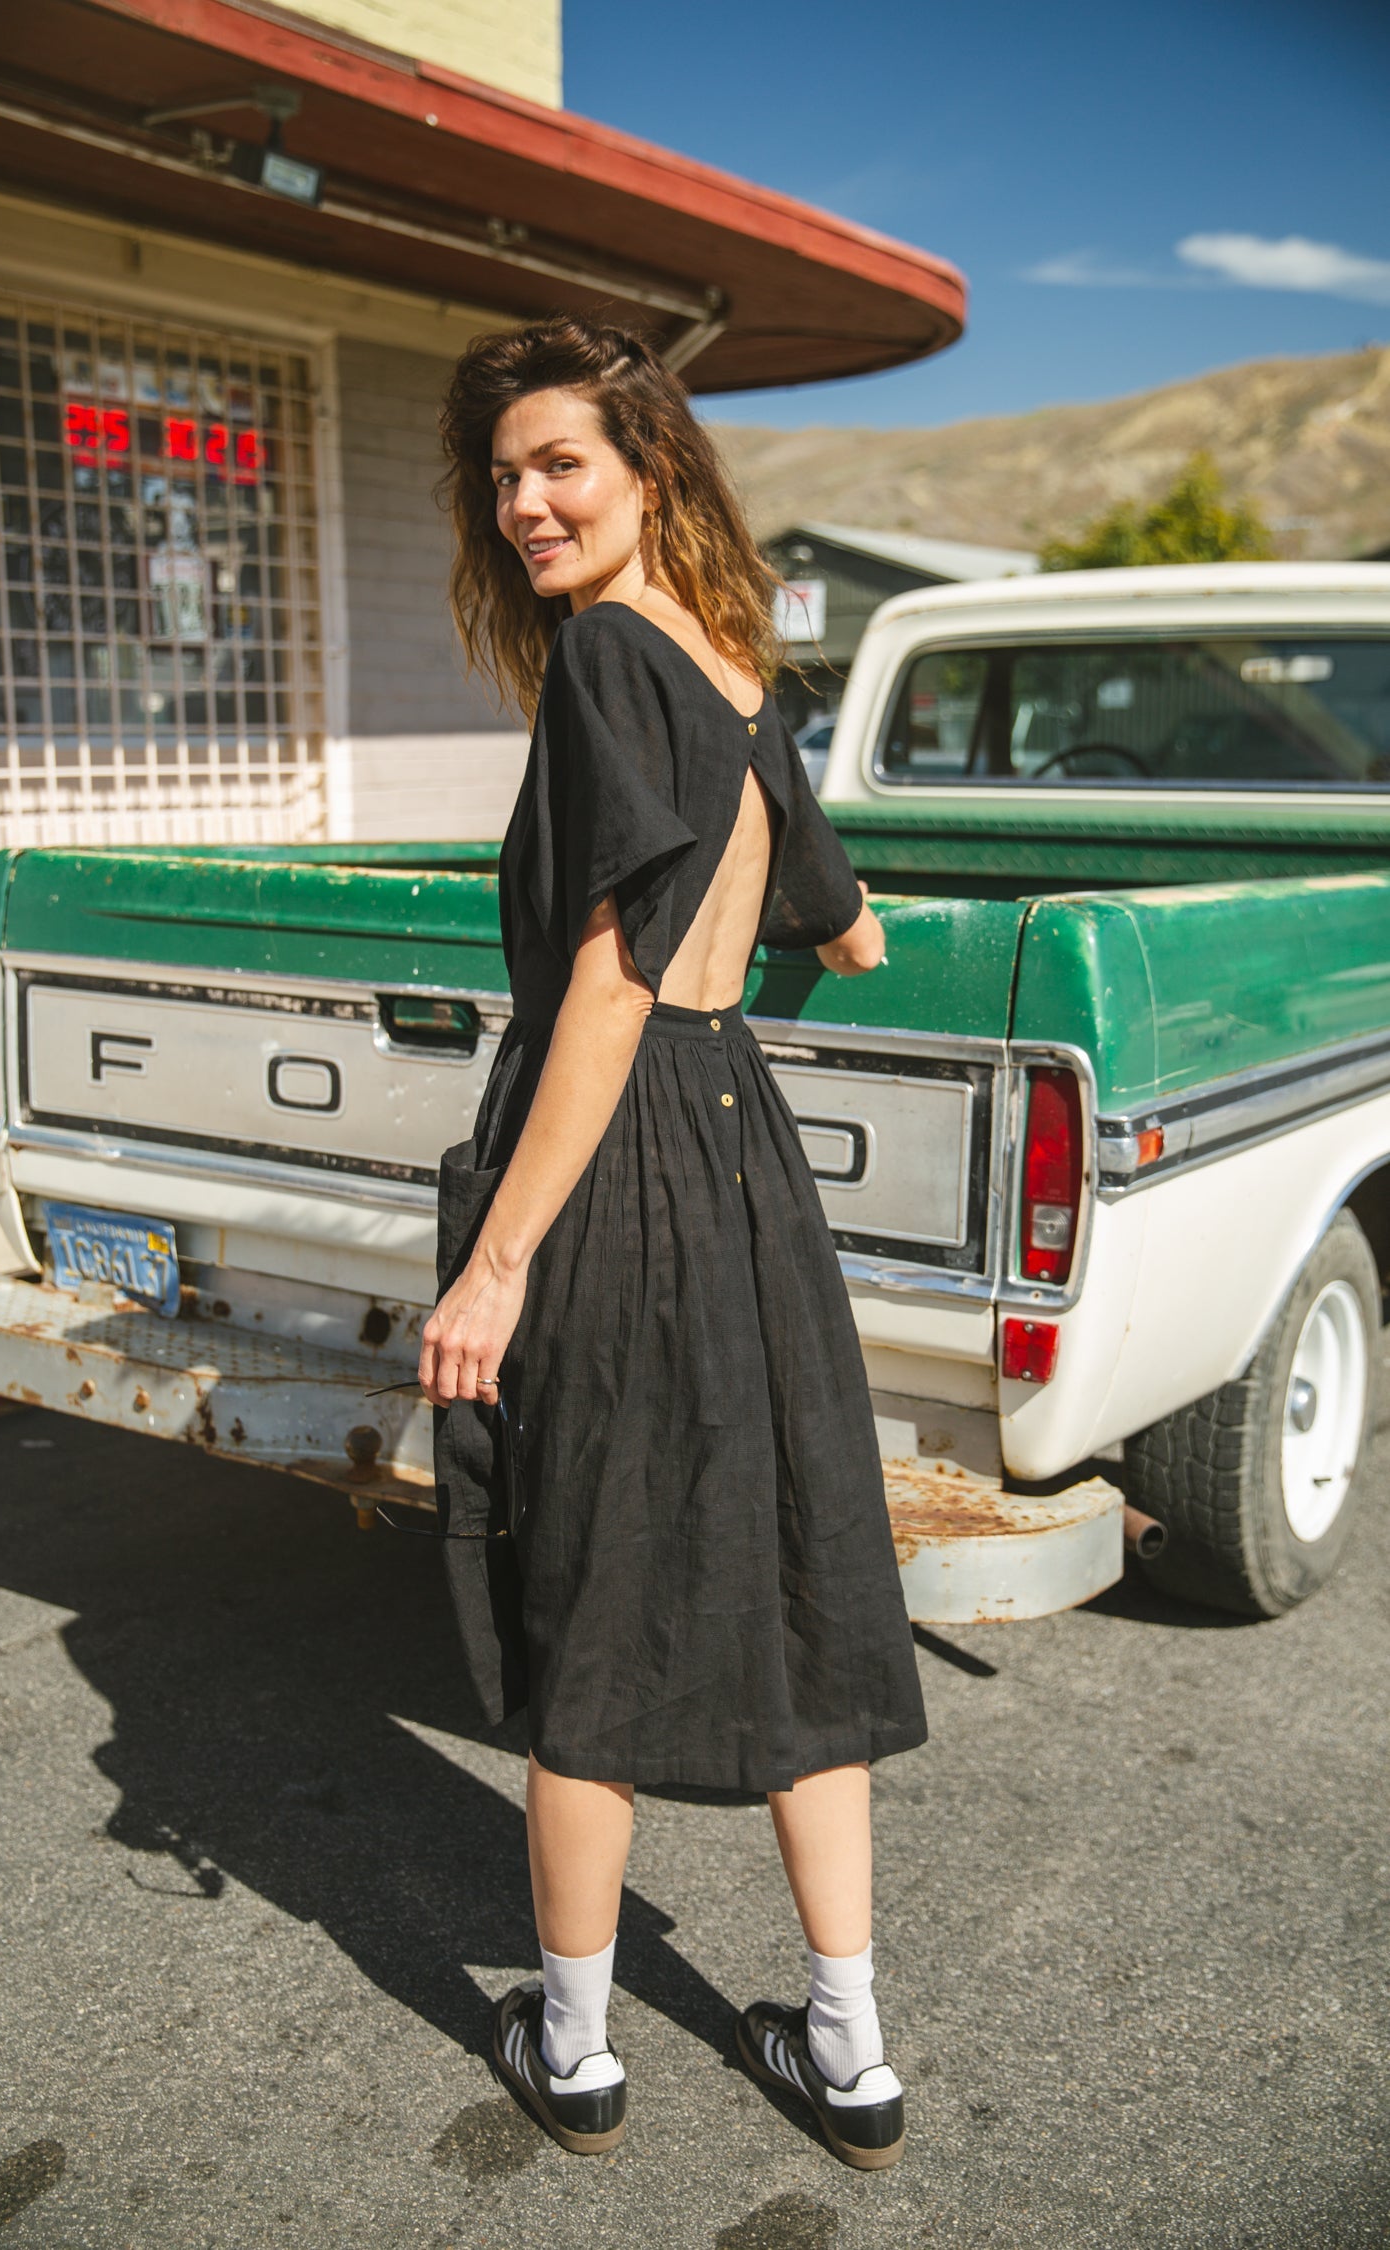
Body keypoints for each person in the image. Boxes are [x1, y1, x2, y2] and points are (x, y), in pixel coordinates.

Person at [421, 315, 926, 2171]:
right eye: (505, 478)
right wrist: (830, 919)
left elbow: (610, 988)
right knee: (800, 1569)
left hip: (627, 1151)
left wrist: (499, 1260)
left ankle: (574, 2044)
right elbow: (841, 921)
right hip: (750, 1165)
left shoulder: (603, 666)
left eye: (561, 463)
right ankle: (850, 2055)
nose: (528, 501)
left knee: (598, 1588)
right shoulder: (731, 671)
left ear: (647, 467)